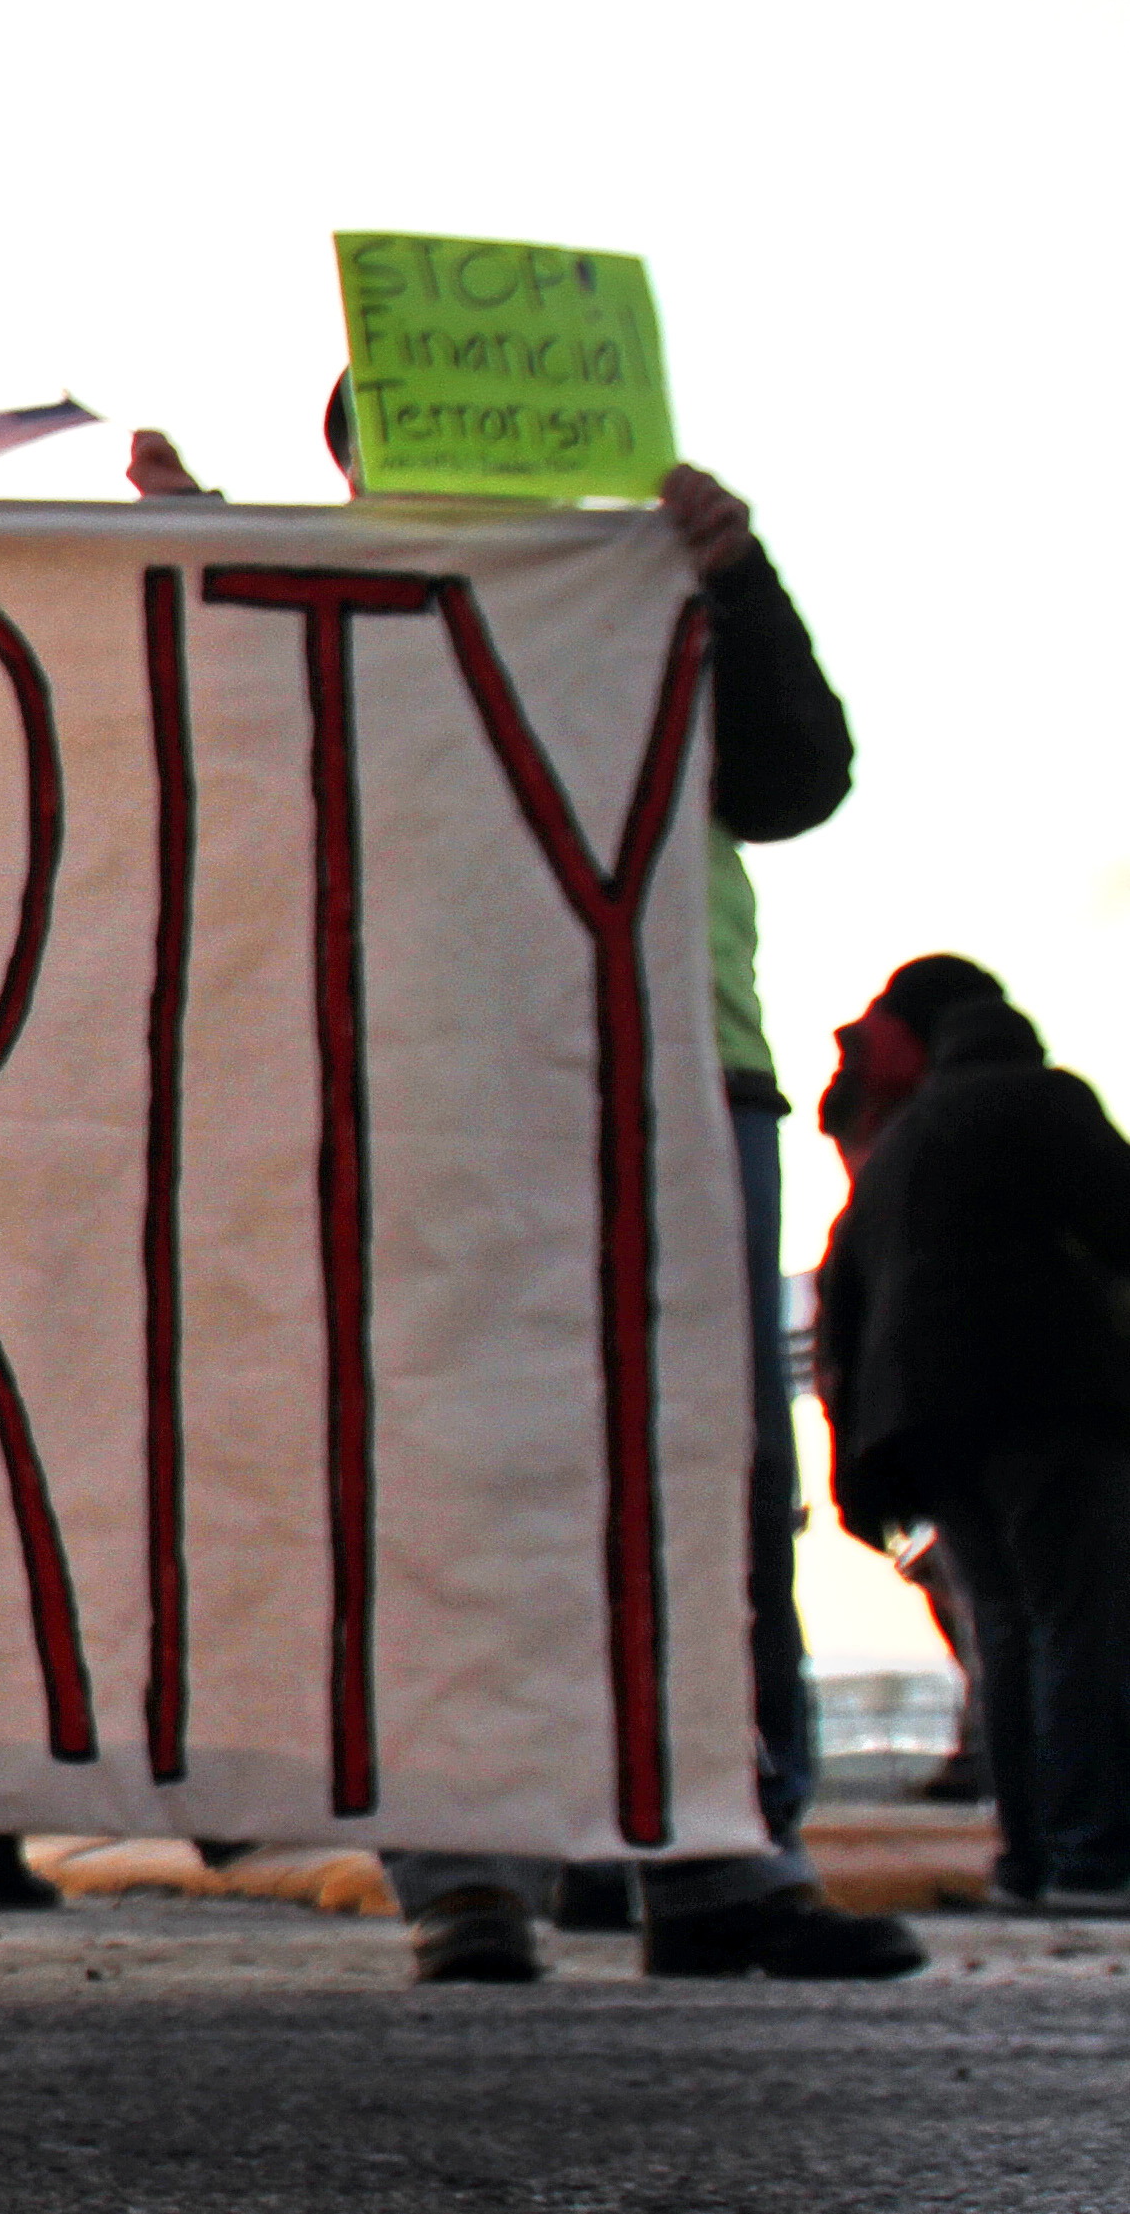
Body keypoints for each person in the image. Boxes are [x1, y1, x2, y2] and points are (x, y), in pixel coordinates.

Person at [146, 394, 919, 1984]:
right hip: (439, 1080)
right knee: (447, 1470)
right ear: (351, 473)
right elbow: (226, 723)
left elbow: (790, 777)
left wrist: (736, 578)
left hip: (678, 1074)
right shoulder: (344, 614)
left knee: (701, 1477)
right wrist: (175, 541)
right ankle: (471, 1867)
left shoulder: (652, 590)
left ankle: (718, 1857)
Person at [821, 965, 1130, 1912]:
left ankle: (1029, 1861)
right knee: (1077, 1623)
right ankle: (1090, 1858)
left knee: (1004, 1629)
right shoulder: (1046, 1101)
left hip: (918, 1424)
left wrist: (857, 1470)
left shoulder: (902, 1141)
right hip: (1043, 1396)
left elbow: (843, 1294)